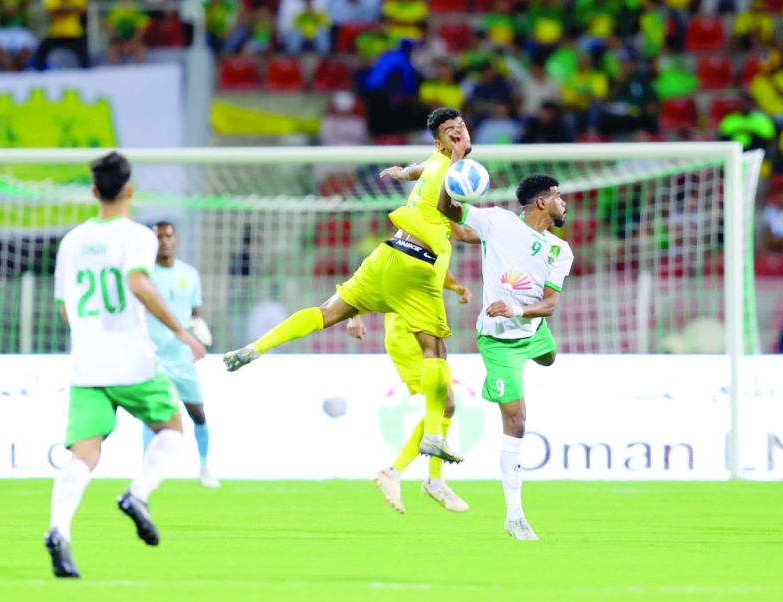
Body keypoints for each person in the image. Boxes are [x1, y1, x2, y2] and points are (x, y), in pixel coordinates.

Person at [223, 107, 475, 466]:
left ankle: (254, 349)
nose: (459, 133)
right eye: (451, 132)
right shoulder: (452, 169)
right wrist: (496, 230)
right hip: (416, 268)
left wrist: (401, 172)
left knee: (328, 312)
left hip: (386, 254)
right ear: (440, 142)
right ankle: (434, 434)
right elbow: (458, 225)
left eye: (461, 127)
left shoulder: (434, 161)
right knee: (435, 351)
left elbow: (417, 169)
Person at [45, 152, 206, 578]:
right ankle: (137, 494)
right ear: (130, 190)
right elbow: (137, 282)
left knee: (84, 456)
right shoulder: (138, 236)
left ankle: (59, 530)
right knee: (173, 428)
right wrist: (181, 331)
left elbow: (64, 309)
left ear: (94, 191)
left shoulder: (72, 241)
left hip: (87, 363)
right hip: (133, 359)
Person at [437, 174, 574, 541]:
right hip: (498, 341)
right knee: (517, 420)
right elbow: (451, 213)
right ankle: (514, 517)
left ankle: (541, 352)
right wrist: (442, 178)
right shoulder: (497, 221)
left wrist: (514, 309)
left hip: (531, 329)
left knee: (548, 358)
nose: (565, 202)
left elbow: (549, 305)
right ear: (542, 202)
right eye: (559, 196)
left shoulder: (560, 250)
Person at [348, 227, 476, 514]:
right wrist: (354, 313)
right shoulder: (412, 233)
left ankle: (428, 479)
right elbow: (373, 273)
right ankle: (406, 475)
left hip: (427, 333)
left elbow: (441, 269)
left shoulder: (440, 234)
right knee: (444, 404)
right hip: (406, 335)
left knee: (446, 406)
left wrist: (455, 287)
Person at [143, 221, 220, 488]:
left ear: (176, 241)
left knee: (198, 414)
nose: (163, 241)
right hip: (154, 357)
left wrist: (201, 330)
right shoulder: (143, 275)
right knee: (153, 414)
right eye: (158, 237)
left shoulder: (189, 274)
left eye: (168, 236)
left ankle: (204, 466)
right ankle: (147, 471)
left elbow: (195, 315)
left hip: (183, 358)